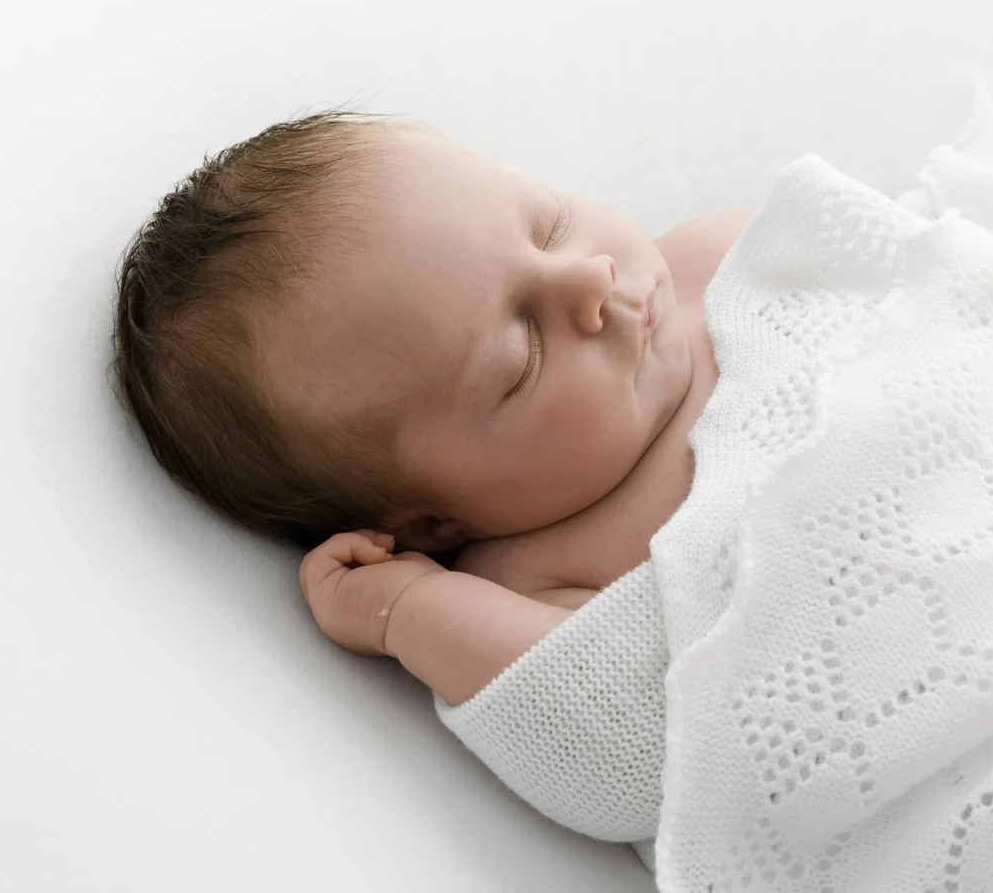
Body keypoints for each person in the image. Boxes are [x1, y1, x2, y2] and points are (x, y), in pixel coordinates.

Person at [112, 111, 747, 704]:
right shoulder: (534, 581)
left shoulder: (729, 260)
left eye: (550, 225)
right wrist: (408, 611)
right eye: (522, 354)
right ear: (431, 525)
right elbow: (628, 733)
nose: (592, 278)